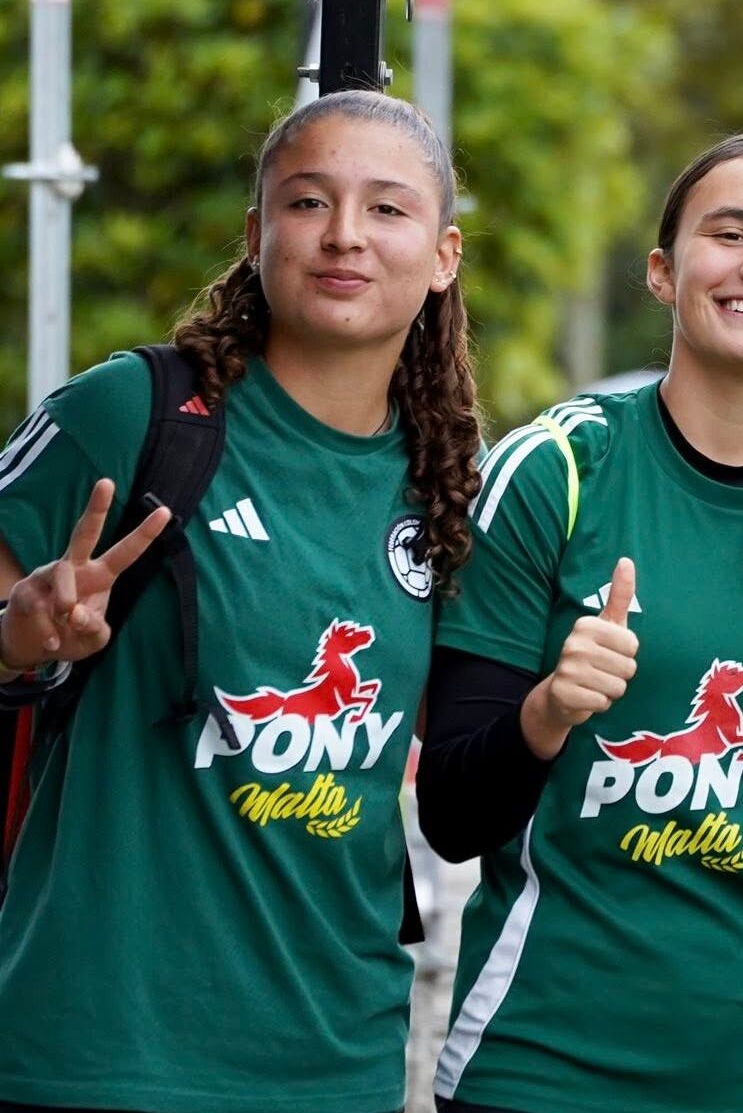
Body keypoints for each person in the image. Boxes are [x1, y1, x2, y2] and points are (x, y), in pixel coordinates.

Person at [416, 129, 743, 1113]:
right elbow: (450, 817)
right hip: (541, 1059)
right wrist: (546, 711)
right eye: (730, 233)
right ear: (663, 270)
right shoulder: (559, 470)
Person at [0, 89, 480, 1113]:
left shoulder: (447, 484)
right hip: (96, 1054)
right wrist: (17, 639)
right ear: (259, 235)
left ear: (443, 256)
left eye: (388, 209)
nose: (346, 233)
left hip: (336, 1062)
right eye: (309, 202)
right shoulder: (130, 412)